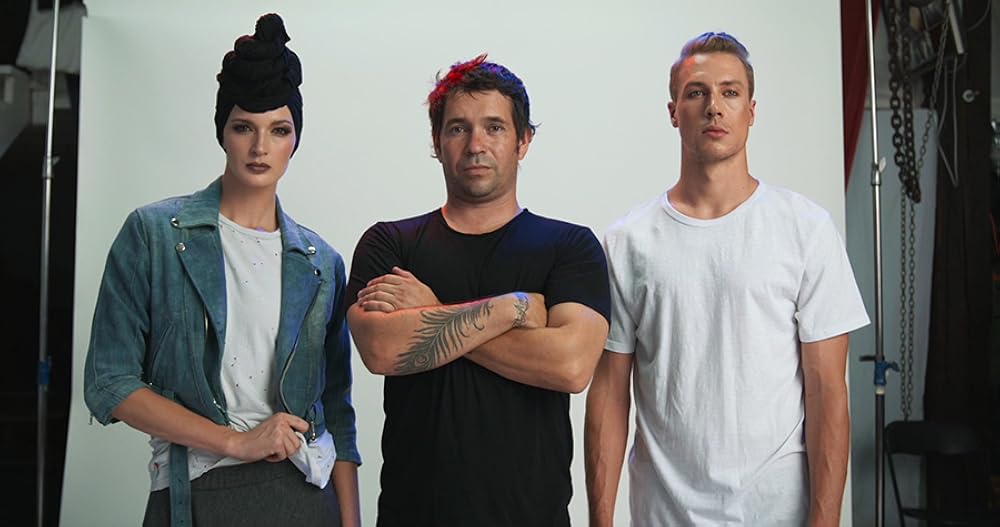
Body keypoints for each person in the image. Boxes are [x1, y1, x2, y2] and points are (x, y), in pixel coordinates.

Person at [83, 13, 361, 527]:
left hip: (305, 497)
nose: (260, 148)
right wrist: (236, 441)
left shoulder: (321, 263)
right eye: (243, 127)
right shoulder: (153, 235)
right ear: (223, 133)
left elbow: (337, 414)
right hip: (193, 494)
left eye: (279, 130)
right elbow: (110, 382)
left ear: (295, 138)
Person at [584, 32, 870, 526]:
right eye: (696, 92)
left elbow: (828, 393)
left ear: (751, 111)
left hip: (776, 513)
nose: (714, 106)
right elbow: (609, 393)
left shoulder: (805, 228)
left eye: (730, 92)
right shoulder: (628, 240)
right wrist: (600, 520)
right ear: (673, 112)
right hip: (663, 515)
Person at [346, 53, 611, 526]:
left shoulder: (569, 246)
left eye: (494, 127)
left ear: (523, 141)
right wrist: (513, 308)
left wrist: (431, 310)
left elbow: (571, 366)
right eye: (458, 128)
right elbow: (381, 349)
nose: (475, 145)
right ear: (436, 141)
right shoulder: (390, 244)